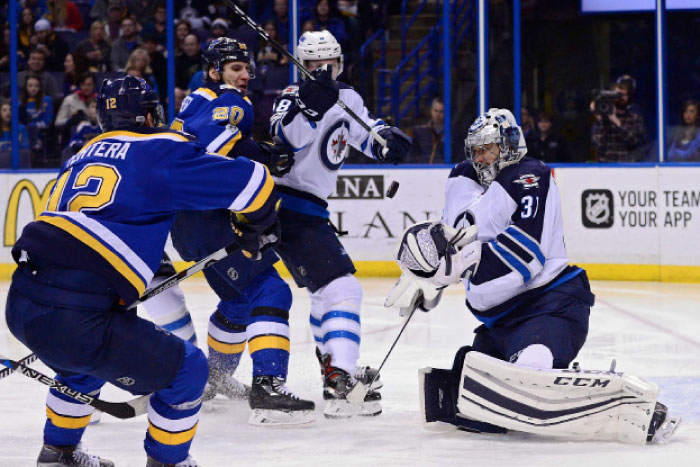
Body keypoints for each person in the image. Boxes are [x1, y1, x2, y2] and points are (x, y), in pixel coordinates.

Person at [4, 75, 281, 467]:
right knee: (188, 369)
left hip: (22, 303)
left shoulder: (80, 154)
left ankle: (57, 454)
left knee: (79, 367)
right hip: (79, 312)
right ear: (152, 116)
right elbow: (255, 183)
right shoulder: (160, 148)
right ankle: (167, 462)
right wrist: (255, 228)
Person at [386, 108, 680, 444]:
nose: (481, 158)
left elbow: (527, 255)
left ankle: (623, 403)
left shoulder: (530, 176)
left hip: (551, 307)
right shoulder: (463, 179)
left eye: (489, 148)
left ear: (509, 145)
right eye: (476, 150)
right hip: (500, 324)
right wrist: (427, 274)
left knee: (530, 371)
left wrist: (459, 266)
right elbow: (452, 238)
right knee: (467, 388)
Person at [168, 37, 314, 426]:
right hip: (207, 219)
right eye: (235, 68)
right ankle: (267, 387)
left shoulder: (195, 100)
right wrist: (263, 154)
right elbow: (213, 152)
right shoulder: (232, 101)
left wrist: (256, 149)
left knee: (237, 303)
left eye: (247, 68)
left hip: (188, 223)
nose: (245, 75)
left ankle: (212, 378)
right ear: (215, 71)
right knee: (271, 290)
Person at [269, 30, 412, 417]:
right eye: (313, 65)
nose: (322, 71)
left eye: (328, 64)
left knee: (325, 292)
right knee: (342, 286)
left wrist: (384, 141)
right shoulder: (291, 97)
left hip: (310, 210)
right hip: (286, 206)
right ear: (302, 66)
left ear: (339, 62)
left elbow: (363, 130)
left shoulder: (348, 96)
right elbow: (285, 137)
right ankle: (341, 379)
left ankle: (334, 372)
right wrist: (312, 104)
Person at [591, 81, 648, 162]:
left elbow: (634, 140)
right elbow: (597, 142)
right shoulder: (603, 119)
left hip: (627, 167)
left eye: (625, 95)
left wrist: (615, 119)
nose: (622, 98)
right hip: (605, 168)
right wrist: (600, 118)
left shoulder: (635, 118)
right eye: (618, 95)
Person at [19, 73, 54, 164]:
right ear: (25, 87)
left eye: (36, 86)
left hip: (42, 133)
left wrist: (31, 126)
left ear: (40, 87)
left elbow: (47, 122)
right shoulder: (20, 102)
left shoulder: (46, 100)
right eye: (30, 86)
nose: (33, 88)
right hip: (25, 133)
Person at [408, 97, 445, 163]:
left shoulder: (452, 134)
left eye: (441, 112)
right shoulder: (419, 132)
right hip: (422, 171)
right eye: (436, 111)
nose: (438, 115)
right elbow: (412, 155)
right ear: (431, 111)